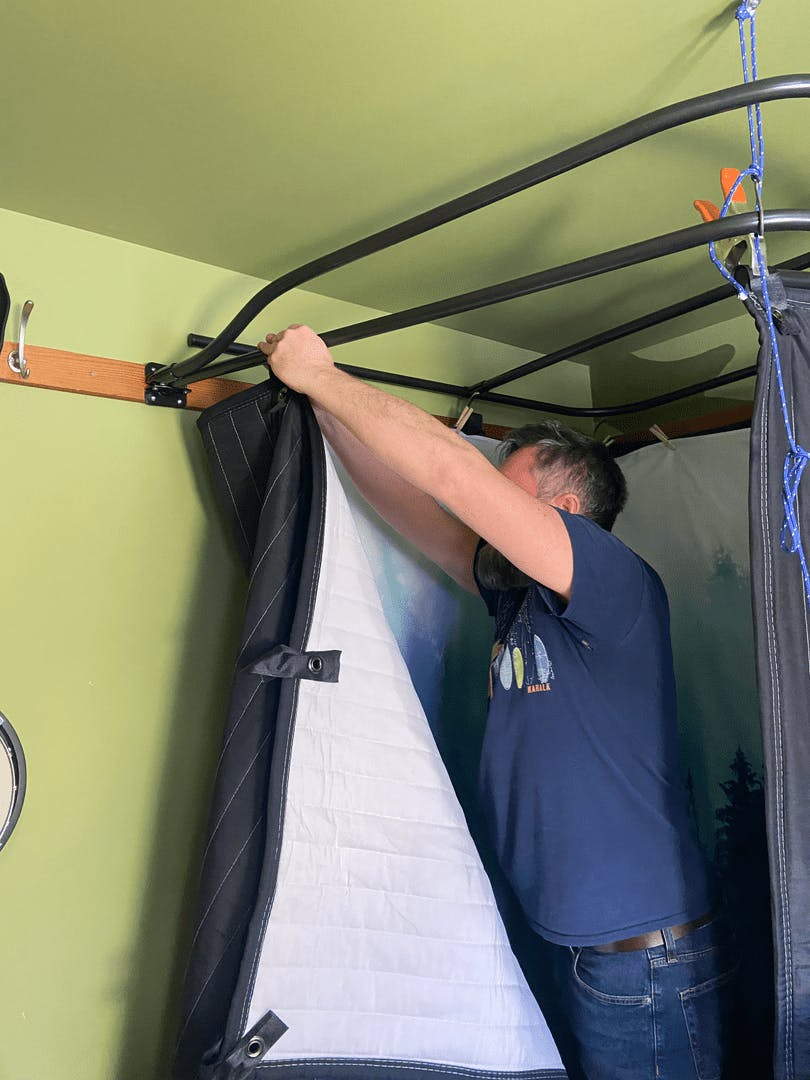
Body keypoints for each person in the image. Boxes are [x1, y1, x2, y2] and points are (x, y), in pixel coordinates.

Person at [257, 324, 740, 1080]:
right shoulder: (520, 596)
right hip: (576, 944)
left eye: (505, 493)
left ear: (567, 510)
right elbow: (424, 514)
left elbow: (453, 477)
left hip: (645, 962)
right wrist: (326, 415)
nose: (486, 513)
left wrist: (323, 374)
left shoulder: (612, 578)